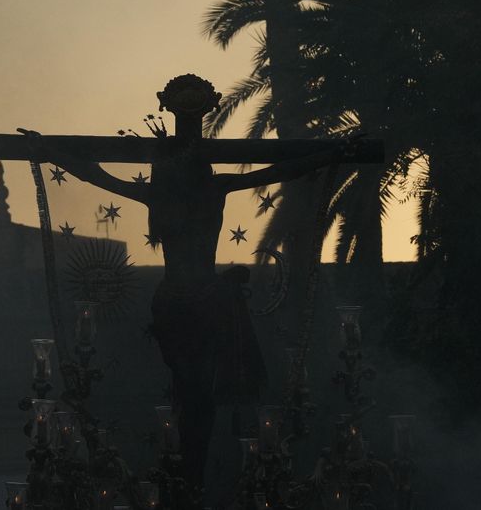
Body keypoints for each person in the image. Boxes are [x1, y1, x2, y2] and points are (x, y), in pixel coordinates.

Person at [22, 74, 346, 487]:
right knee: (193, 388)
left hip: (191, 301)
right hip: (192, 302)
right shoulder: (207, 188)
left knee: (196, 391)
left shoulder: (187, 191)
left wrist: (47, 149)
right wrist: (46, 149)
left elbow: (94, 174)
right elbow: (281, 167)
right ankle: (190, 469)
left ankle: (192, 469)